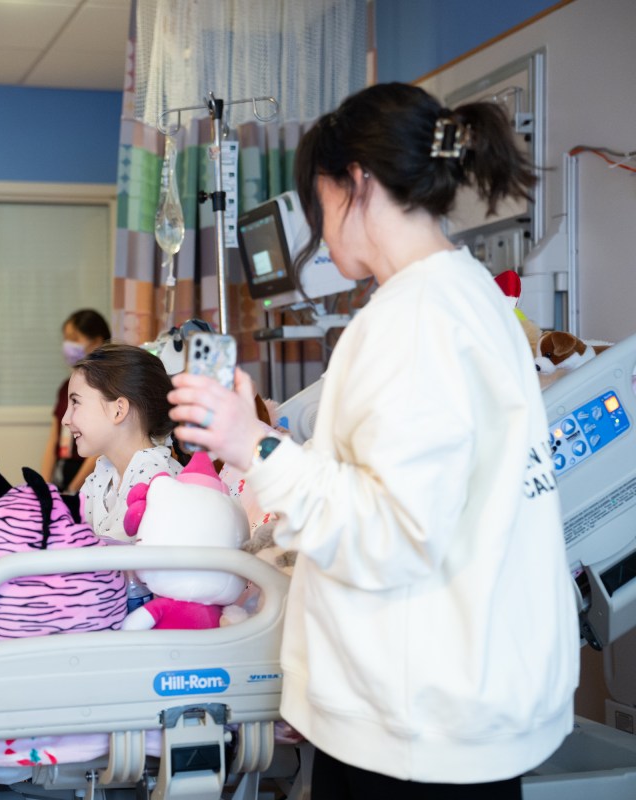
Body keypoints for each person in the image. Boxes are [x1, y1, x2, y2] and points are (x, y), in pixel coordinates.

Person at [169, 83, 578, 798]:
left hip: (414, 728)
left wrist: (255, 447)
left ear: (355, 183)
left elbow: (390, 533)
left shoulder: (411, 319)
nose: (322, 234)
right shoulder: (474, 294)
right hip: (463, 707)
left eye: (319, 205)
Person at [65, 343, 179, 542]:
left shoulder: (156, 478)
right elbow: (71, 533)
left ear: (118, 410)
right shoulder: (102, 474)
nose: (65, 419)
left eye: (75, 402)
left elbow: (112, 559)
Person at [41, 309, 111, 493]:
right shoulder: (67, 386)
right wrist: (44, 488)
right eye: (66, 338)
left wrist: (73, 489)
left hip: (90, 478)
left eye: (74, 338)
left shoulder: (106, 387)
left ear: (96, 341)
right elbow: (53, 440)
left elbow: (102, 444)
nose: (67, 345)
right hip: (62, 473)